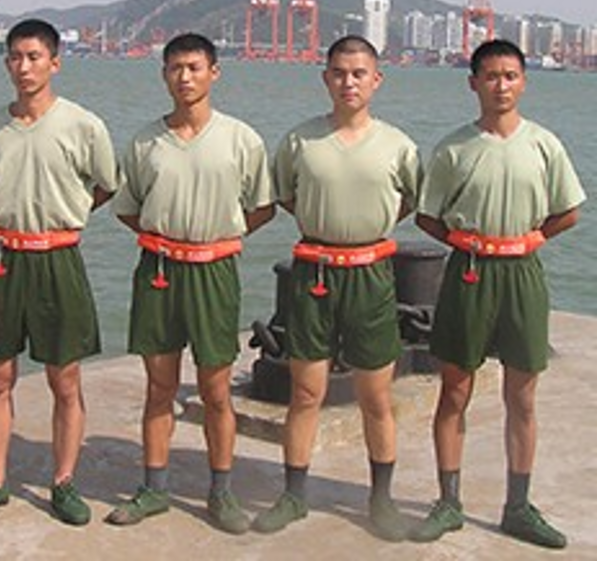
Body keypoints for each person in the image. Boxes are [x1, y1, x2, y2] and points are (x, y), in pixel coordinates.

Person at [410, 39, 585, 549]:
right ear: (474, 84)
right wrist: (463, 241)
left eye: (510, 76)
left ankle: (518, 506)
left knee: (522, 395)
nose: (501, 85)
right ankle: (449, 502)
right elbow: (427, 215)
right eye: (491, 76)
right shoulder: (454, 149)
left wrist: (534, 238)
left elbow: (569, 210)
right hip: (468, 273)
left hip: (522, 272)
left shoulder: (544, 145)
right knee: (454, 391)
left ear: (523, 82)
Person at [0, 19, 118, 525]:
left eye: (34, 57)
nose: (24, 67)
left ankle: (63, 482)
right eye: (16, 58)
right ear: (6, 64)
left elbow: (107, 185)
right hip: (3, 258)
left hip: (58, 258)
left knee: (65, 379)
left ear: (55, 63)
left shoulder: (84, 125)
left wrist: (70, 212)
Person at [252, 35, 421, 541]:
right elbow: (285, 195)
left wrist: (365, 229)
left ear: (376, 80)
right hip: (314, 274)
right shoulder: (301, 142)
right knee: (306, 392)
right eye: (339, 73)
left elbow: (412, 199)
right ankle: (293, 495)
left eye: (359, 73)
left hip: (371, 275)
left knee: (376, 396)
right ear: (325, 77)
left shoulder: (398, 145)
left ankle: (381, 499)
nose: (349, 82)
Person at [105, 32, 274, 534]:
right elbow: (128, 208)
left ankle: (221, 492)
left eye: (195, 67)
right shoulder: (145, 142)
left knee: (215, 390)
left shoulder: (241, 139)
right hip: (158, 271)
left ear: (213, 72)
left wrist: (218, 236)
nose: (185, 77)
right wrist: (166, 238)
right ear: (164, 75)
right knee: (159, 386)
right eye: (175, 68)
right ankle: (154, 489)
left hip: (214, 272)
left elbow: (262, 207)